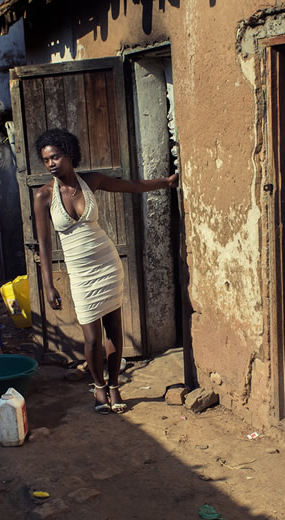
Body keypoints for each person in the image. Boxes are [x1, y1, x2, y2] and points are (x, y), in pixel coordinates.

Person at [33, 128, 178, 414]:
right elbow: (45, 244)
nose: (51, 163)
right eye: (46, 160)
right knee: (91, 338)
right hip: (80, 274)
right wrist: (48, 285)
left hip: (107, 264)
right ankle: (98, 387)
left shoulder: (92, 182)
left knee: (114, 332)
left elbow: (132, 187)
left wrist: (165, 181)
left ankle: (114, 387)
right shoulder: (44, 196)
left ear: (70, 155)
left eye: (56, 157)